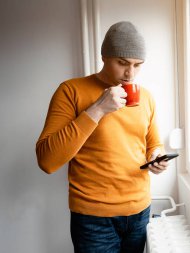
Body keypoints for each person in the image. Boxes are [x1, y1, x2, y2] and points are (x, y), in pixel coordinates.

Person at [36, 21, 168, 253]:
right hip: (93, 219)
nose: (130, 73)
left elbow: (152, 143)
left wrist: (156, 156)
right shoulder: (70, 91)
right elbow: (47, 161)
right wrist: (97, 109)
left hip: (140, 212)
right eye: (122, 63)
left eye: (138, 65)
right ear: (104, 57)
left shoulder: (145, 97)